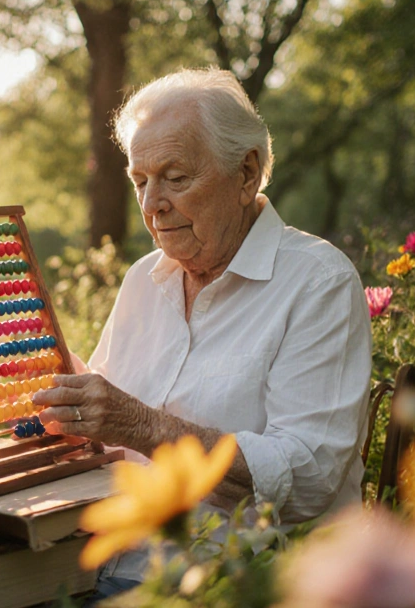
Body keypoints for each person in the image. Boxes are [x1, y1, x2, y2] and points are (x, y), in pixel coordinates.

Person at [31, 68, 373, 597]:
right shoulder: (142, 280)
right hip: (113, 559)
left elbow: (306, 480)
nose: (150, 206)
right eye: (140, 181)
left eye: (175, 176)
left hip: (239, 578)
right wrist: (64, 398)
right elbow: (103, 430)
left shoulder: (318, 282)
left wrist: (140, 424)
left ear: (246, 174)